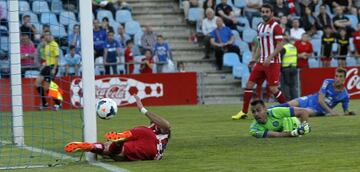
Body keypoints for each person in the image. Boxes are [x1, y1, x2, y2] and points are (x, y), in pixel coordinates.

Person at [64, 95, 171, 161]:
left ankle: (120, 138)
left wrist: (142, 109)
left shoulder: (159, 132)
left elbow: (167, 125)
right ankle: (92, 146)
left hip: (151, 142)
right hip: (150, 155)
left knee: (142, 131)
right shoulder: (154, 132)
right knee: (115, 154)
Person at [232, 4, 286, 120]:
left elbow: (280, 45)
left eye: (267, 12)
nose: (264, 14)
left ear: (272, 13)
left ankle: (287, 109)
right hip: (261, 62)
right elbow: (260, 46)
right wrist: (254, 59)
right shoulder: (260, 26)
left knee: (273, 88)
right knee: (249, 85)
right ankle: (243, 112)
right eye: (263, 12)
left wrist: (270, 57)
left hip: (273, 62)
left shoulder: (276, 27)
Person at [273, 67, 356, 116]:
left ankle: (275, 114)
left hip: (317, 110)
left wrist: (349, 112)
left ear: (344, 79)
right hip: (310, 99)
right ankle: (268, 110)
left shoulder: (345, 95)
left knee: (298, 112)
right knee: (288, 104)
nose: (337, 79)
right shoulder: (327, 82)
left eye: (340, 76)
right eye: (336, 76)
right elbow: (320, 100)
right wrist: (331, 112)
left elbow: (345, 110)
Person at [35, 31, 61, 110]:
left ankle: (58, 104)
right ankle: (44, 103)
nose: (46, 37)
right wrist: (44, 64)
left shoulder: (54, 44)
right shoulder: (46, 45)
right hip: (46, 67)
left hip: (52, 67)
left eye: (48, 35)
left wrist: (54, 68)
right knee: (37, 83)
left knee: (47, 87)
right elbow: (47, 57)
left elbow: (56, 58)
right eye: (45, 35)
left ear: (51, 36)